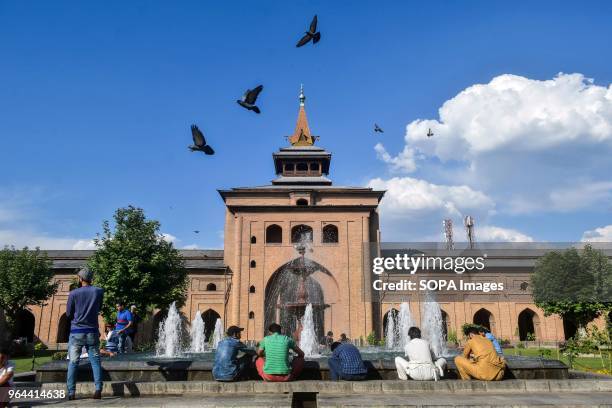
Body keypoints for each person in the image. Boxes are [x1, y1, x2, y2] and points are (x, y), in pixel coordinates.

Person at [66, 267, 104, 400]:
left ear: (81, 279)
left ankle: (71, 393)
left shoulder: (73, 293)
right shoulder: (99, 291)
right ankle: (98, 390)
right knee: (95, 361)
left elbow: (69, 313)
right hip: (92, 331)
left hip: (76, 331)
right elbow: (98, 308)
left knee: (73, 362)